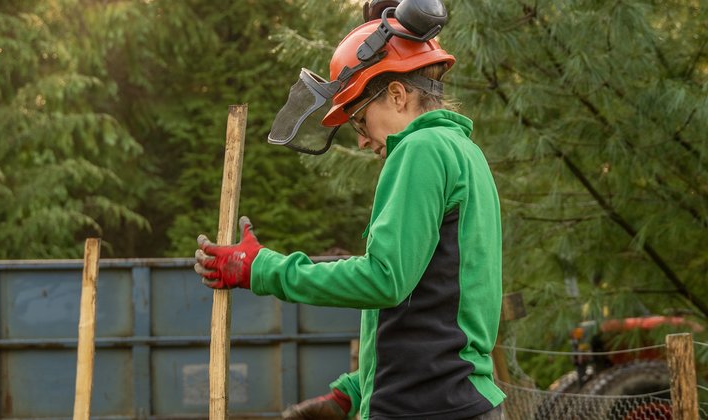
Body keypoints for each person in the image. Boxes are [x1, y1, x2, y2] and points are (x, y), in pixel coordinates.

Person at [195, 6, 505, 420]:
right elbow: (438, 301)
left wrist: (264, 269)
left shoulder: (420, 149)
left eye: (360, 121)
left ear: (396, 94)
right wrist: (354, 391)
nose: (361, 141)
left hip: (425, 408)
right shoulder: (465, 153)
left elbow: (385, 280)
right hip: (450, 400)